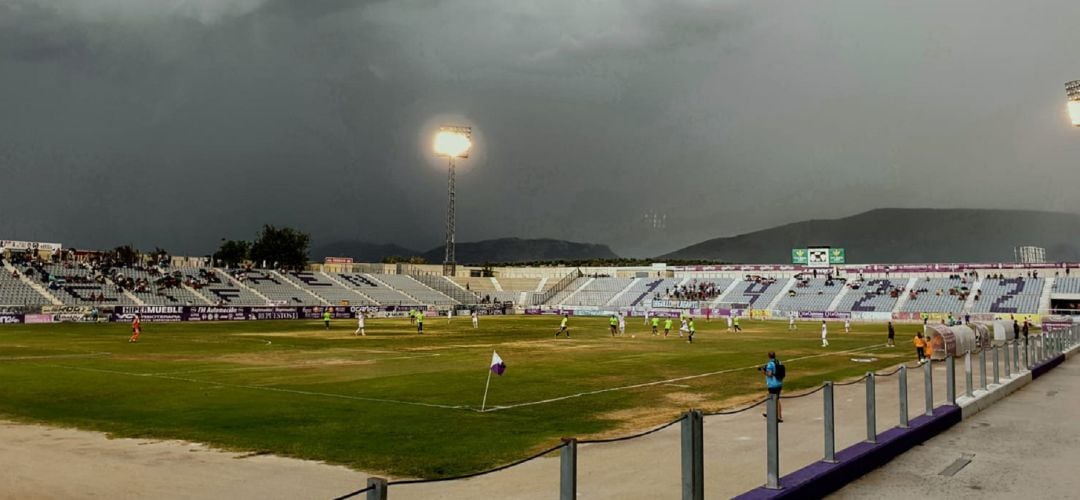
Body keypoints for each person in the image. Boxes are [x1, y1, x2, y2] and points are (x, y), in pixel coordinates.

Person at [761, 352, 783, 422]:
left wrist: (763, 372)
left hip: (772, 384)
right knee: (776, 399)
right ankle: (773, 414)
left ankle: (779, 416)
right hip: (779, 383)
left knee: (774, 399)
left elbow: (769, 374)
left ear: (768, 356)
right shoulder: (779, 362)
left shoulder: (770, 364)